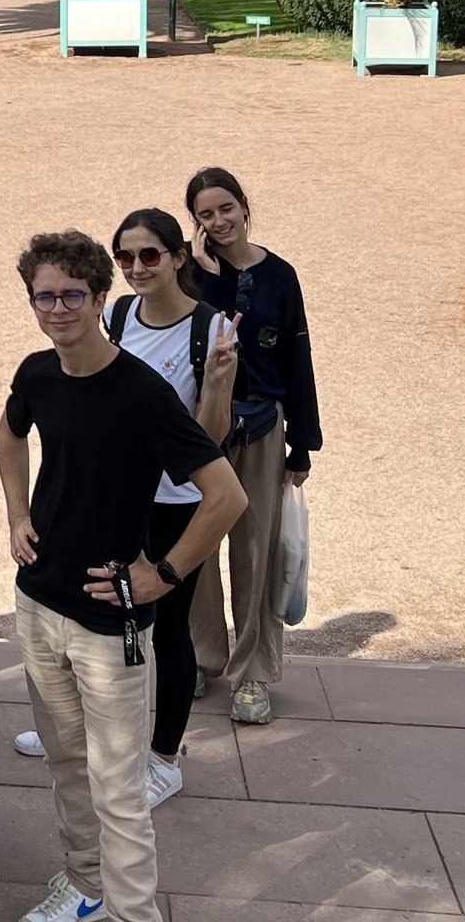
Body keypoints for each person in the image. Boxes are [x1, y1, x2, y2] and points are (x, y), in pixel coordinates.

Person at [0, 230, 246, 922]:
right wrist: (17, 512)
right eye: (43, 296)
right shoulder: (38, 374)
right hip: (38, 604)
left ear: (100, 298)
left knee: (118, 790)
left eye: (72, 294)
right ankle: (84, 887)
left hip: (113, 624)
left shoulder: (142, 393)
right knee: (66, 766)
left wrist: (161, 575)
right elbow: (10, 431)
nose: (57, 308)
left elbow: (226, 495)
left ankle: (134, 914)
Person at [184, 168, 321, 727]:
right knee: (195, 549)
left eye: (225, 209)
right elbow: (209, 333)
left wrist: (303, 443)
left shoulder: (281, 275)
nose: (218, 222)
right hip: (203, 427)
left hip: (264, 424)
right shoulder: (191, 273)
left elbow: (298, 357)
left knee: (254, 551)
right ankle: (198, 657)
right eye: (205, 215)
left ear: (244, 206)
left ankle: (254, 673)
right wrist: (208, 276)